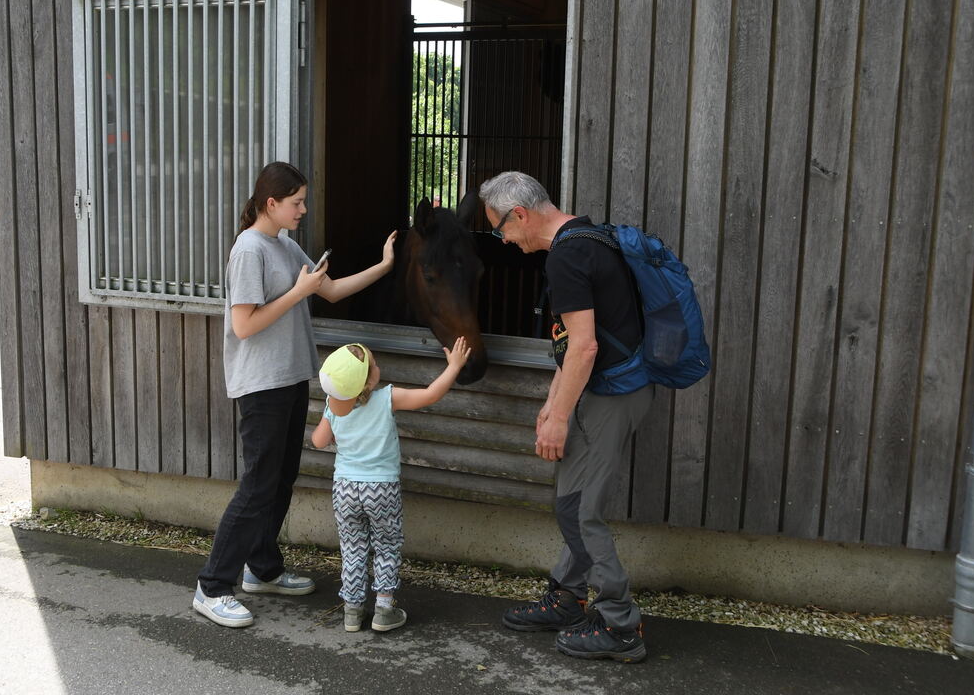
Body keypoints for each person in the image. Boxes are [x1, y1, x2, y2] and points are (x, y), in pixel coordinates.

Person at [192, 161, 398, 629]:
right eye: (296, 202)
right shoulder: (250, 250)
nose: (303, 210)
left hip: (290, 378)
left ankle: (262, 569)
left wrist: (385, 266)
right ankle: (212, 586)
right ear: (271, 203)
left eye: (303, 201)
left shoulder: (285, 244)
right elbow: (244, 325)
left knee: (280, 480)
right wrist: (297, 291)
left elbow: (331, 290)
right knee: (257, 486)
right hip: (260, 384)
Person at [479, 171, 652, 664]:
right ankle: (567, 598)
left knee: (578, 510)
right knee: (572, 498)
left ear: (520, 215)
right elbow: (575, 343)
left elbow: (585, 346)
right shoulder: (588, 237)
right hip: (609, 392)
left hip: (608, 397)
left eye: (500, 229)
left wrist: (558, 417)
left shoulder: (568, 257)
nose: (504, 241)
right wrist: (554, 401)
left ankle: (621, 624)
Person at [311, 336, 472, 633]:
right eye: (373, 365)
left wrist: (333, 422)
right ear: (368, 381)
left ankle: (352, 611)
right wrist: (454, 366)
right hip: (381, 489)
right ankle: (384, 610)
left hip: (345, 489)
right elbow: (430, 395)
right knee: (386, 546)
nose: (377, 367)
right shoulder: (387, 397)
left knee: (352, 548)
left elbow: (319, 441)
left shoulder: (333, 405)